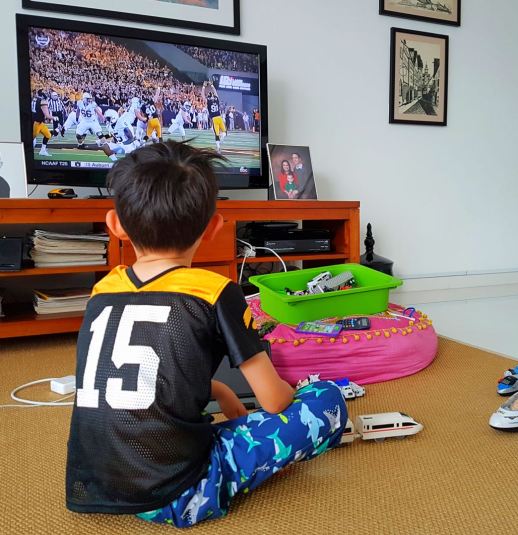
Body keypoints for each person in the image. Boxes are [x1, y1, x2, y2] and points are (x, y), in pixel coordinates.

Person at [65, 141, 347, 528]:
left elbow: (143, 376)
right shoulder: (214, 292)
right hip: (180, 492)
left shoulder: (102, 291)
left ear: (115, 225)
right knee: (325, 398)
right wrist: (293, 392)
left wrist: (221, 390)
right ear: (214, 227)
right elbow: (274, 400)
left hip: (98, 484)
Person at [202, 80, 226, 151]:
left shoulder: (208, 101)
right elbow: (215, 92)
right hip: (219, 117)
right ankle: (222, 137)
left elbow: (203, 95)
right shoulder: (216, 99)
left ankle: (218, 146)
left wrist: (203, 87)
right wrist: (212, 85)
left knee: (216, 134)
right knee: (224, 132)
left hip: (214, 119)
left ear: (208, 96)